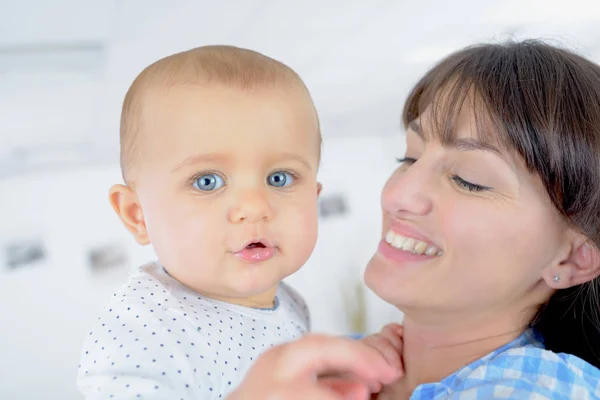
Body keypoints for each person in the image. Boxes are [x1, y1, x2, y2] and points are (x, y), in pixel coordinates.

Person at [227, 40, 600, 399]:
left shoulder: (540, 389)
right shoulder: (331, 367)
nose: (396, 196)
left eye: (468, 180)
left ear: (571, 258)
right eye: (409, 158)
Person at [76, 45, 403, 399]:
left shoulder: (288, 301)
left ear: (315, 196)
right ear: (137, 216)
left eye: (279, 178)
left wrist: (346, 370)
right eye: (207, 181)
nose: (255, 207)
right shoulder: (138, 332)